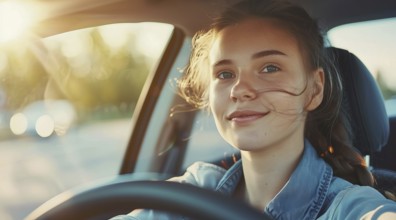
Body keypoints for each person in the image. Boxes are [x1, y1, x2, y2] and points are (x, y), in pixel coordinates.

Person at [113, 0, 396, 219]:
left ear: (314, 89)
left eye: (270, 68)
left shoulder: (349, 206)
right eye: (224, 74)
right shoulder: (196, 189)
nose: (239, 89)